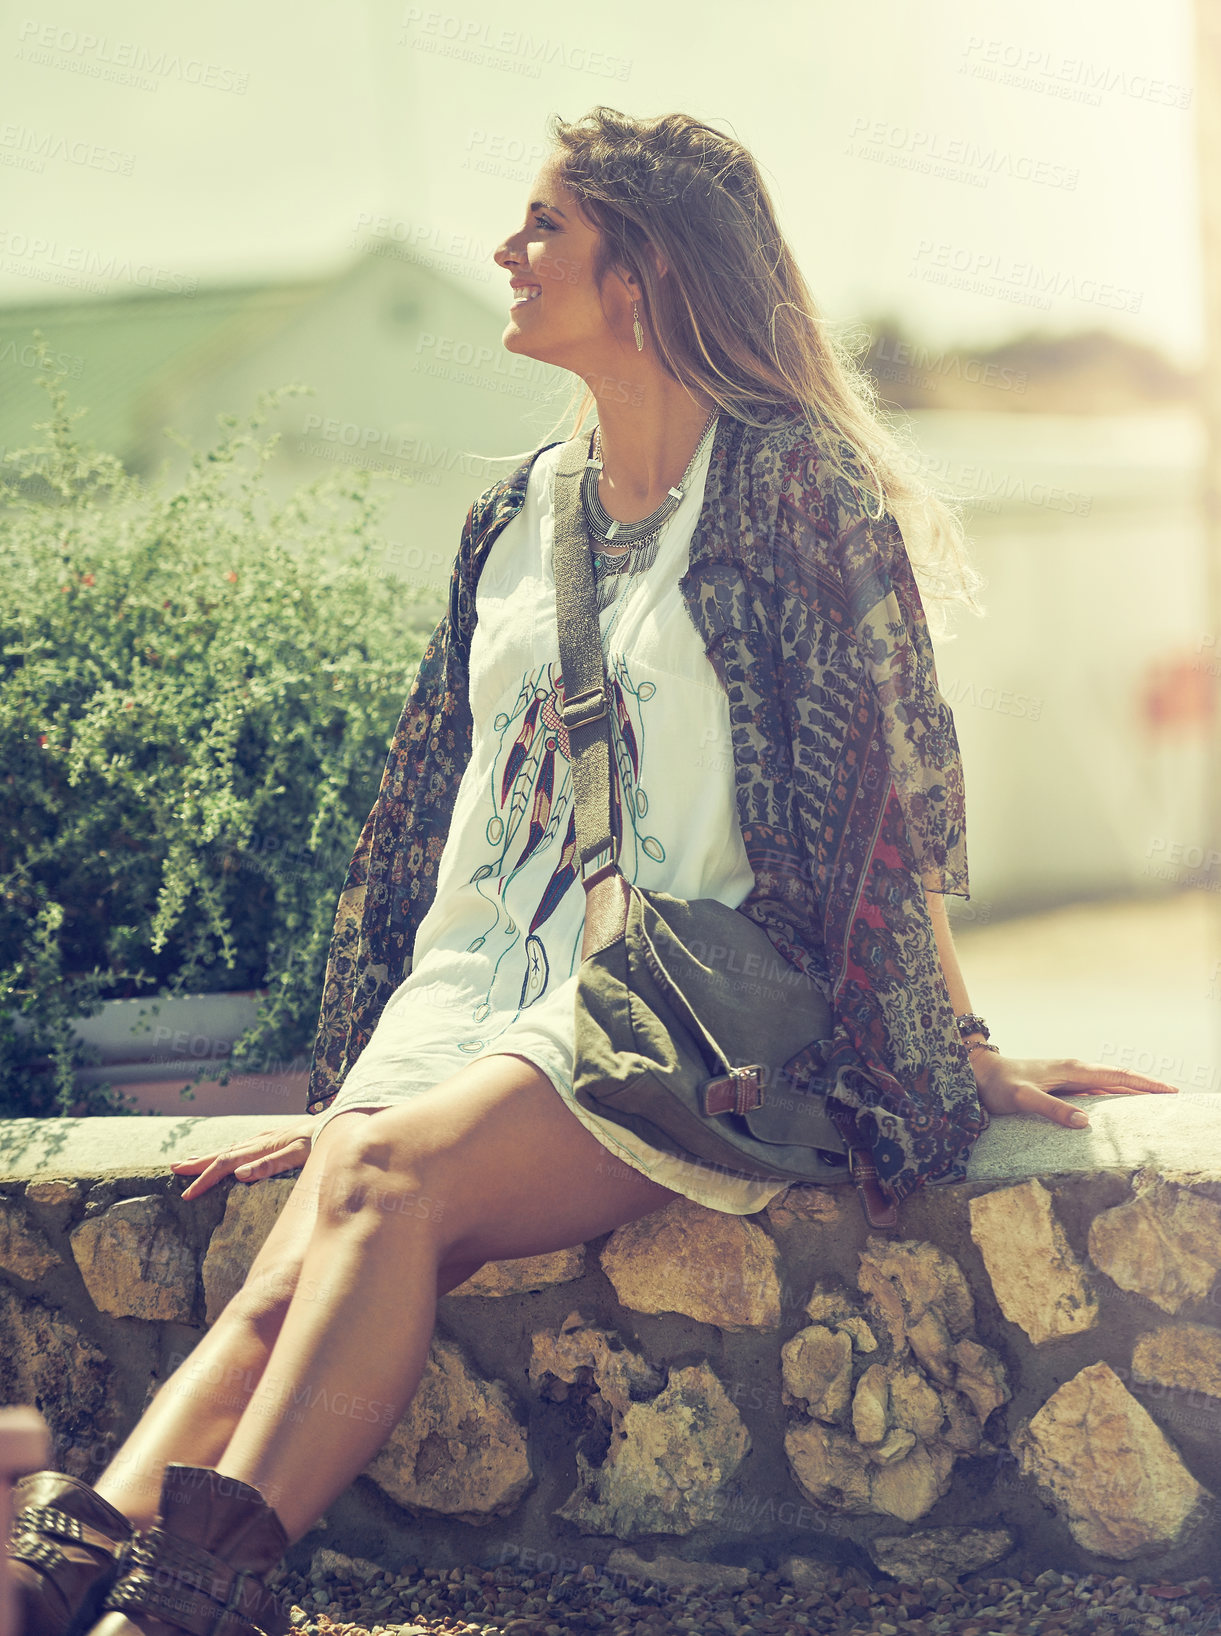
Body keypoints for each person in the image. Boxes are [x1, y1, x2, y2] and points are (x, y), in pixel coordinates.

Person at [8, 108, 1179, 1636]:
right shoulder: (513, 512)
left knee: (381, 1180)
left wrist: (947, 1045)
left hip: (685, 1000)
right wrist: (360, 1053)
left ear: (643, 271)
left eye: (543, 224)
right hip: (473, 979)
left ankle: (198, 1590)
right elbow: (429, 796)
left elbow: (874, 806)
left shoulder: (794, 495)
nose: (506, 251)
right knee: (299, 1253)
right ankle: (79, 1572)